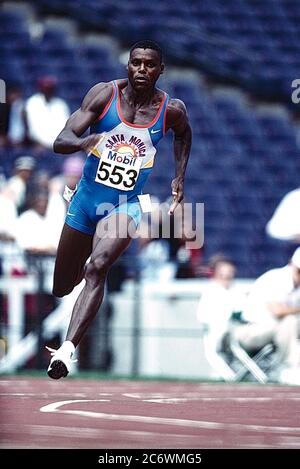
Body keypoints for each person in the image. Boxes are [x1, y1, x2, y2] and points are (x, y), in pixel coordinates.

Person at [46, 40, 192, 379]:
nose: (142, 69)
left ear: (161, 70)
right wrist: (84, 142)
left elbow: (184, 135)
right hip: (84, 202)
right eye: (136, 63)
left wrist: (179, 177)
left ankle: (67, 351)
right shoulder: (103, 95)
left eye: (150, 64)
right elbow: (60, 139)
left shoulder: (171, 110)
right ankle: (82, 288)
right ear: (128, 65)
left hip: (125, 205)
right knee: (63, 285)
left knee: (98, 268)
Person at [233, 247, 300, 384]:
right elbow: (277, 311)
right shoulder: (276, 278)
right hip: (250, 331)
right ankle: (288, 368)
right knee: (290, 321)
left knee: (290, 322)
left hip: (273, 330)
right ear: (292, 265)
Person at [196, 255, 245, 380]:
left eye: (230, 272)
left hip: (235, 329)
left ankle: (229, 376)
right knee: (212, 351)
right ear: (217, 272)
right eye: (224, 272)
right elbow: (202, 315)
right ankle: (224, 375)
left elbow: (241, 312)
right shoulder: (210, 290)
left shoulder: (236, 290)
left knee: (214, 351)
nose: (227, 275)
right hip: (216, 328)